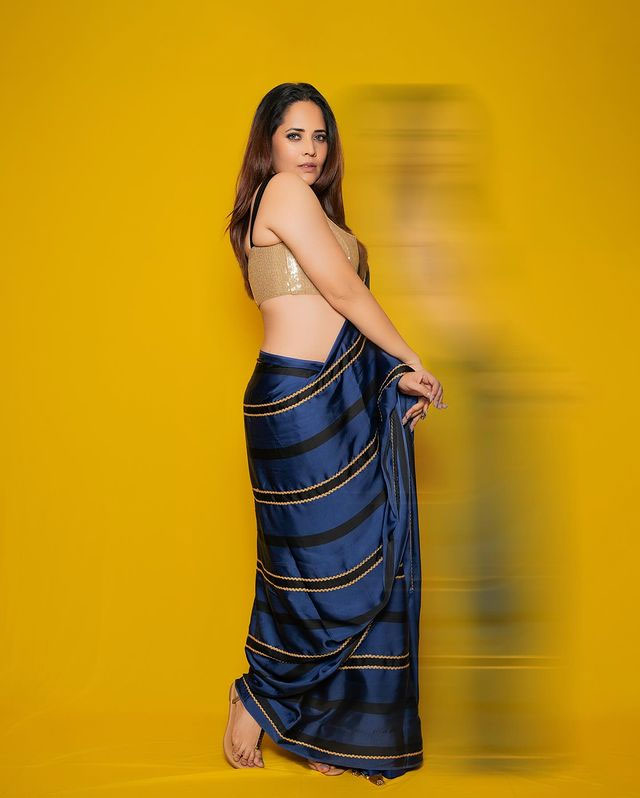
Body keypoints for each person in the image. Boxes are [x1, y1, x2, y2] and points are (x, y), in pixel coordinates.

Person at [223, 83, 447, 786]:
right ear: (268, 144)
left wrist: (392, 379)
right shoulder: (283, 194)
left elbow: (344, 320)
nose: (311, 149)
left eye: (320, 136)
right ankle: (255, 697)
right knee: (314, 568)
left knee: (362, 556)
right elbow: (346, 294)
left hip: (338, 398)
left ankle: (329, 728)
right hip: (295, 400)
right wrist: (412, 357)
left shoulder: (319, 211)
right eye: (295, 135)